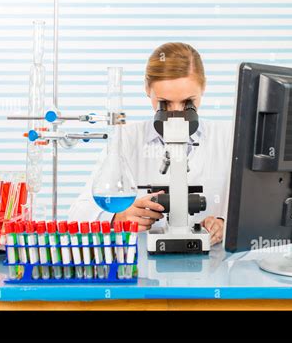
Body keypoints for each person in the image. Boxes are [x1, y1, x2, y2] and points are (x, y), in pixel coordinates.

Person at [69, 42, 232, 246]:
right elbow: (78, 212)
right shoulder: (126, 138)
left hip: (212, 269)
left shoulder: (228, 137)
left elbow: (257, 212)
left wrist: (225, 225)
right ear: (147, 89)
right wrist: (117, 218)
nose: (176, 113)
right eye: (164, 103)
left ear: (203, 88)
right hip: (143, 270)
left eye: (188, 102)